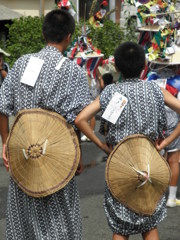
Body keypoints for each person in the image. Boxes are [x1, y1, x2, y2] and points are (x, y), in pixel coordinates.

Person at [0, 9, 90, 240]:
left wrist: (5, 142)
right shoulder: (74, 72)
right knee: (59, 213)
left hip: (23, 150)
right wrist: (77, 152)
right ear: (69, 37)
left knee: (23, 211)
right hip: (58, 152)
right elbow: (80, 118)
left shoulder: (20, 64)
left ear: (43, 33)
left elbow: (2, 106)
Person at [75, 42, 168, 240]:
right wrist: (166, 143)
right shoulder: (155, 90)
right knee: (150, 222)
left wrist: (100, 145)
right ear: (144, 65)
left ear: (116, 67)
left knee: (120, 227)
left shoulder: (110, 93)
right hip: (150, 164)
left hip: (120, 165)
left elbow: (80, 119)